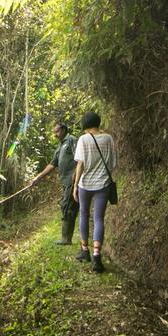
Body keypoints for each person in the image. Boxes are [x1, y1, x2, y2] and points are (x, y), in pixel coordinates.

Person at [72, 110, 116, 273]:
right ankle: (97, 256)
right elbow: (112, 163)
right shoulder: (108, 138)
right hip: (103, 184)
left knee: (84, 215)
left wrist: (75, 185)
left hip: (85, 184)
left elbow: (80, 164)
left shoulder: (83, 139)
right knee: (99, 218)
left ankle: (85, 251)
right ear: (98, 123)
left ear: (85, 125)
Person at [27, 120, 79, 244]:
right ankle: (67, 237)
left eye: (57, 131)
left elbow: (80, 158)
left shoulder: (71, 140)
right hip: (65, 182)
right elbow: (52, 165)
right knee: (66, 205)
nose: (55, 134)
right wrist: (38, 177)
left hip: (72, 180)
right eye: (54, 132)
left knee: (67, 206)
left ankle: (66, 238)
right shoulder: (60, 147)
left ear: (64, 130)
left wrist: (76, 176)